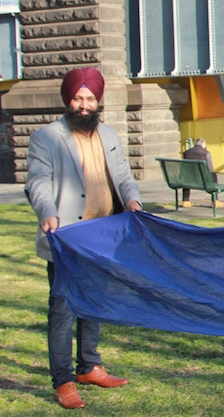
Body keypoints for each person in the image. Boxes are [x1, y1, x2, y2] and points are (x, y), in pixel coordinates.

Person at [25, 67, 142, 409]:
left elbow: (123, 176)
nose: (84, 104)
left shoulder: (108, 135)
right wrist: (47, 212)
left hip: (103, 236)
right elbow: (38, 182)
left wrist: (133, 199)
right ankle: (63, 381)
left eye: (90, 98)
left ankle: (89, 365)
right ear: (68, 100)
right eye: (78, 97)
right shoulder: (46, 138)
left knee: (94, 305)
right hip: (66, 239)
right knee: (63, 311)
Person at [181, 137, 223, 208]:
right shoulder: (206, 153)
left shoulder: (186, 152)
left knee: (186, 176)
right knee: (213, 176)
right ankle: (215, 201)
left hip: (189, 178)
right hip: (203, 179)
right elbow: (210, 168)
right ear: (204, 145)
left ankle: (186, 201)